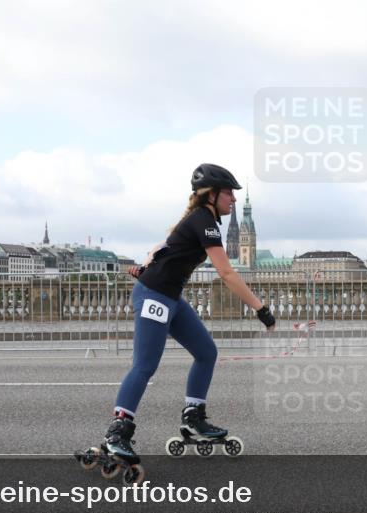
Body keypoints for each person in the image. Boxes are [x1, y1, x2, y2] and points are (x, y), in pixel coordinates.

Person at [85, 164, 275, 471]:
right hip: (154, 297)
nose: (234, 200)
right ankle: (117, 432)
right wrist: (261, 309)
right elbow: (226, 272)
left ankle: (194, 418)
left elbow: (163, 246)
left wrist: (146, 263)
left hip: (170, 297)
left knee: (206, 352)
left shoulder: (200, 220)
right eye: (229, 193)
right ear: (212, 194)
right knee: (145, 365)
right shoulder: (205, 221)